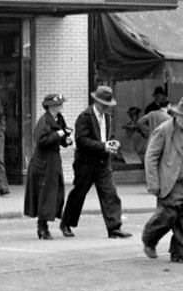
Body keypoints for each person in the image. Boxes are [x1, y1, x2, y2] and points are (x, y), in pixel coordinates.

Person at [59, 85, 130, 239]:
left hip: (103, 163)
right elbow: (82, 140)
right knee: (79, 193)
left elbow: (106, 137)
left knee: (110, 193)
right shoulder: (85, 116)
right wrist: (103, 146)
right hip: (86, 163)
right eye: (105, 104)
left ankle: (114, 227)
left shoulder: (107, 117)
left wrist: (112, 144)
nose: (107, 107)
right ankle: (67, 223)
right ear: (98, 102)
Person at [141, 97, 183, 263]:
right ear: (177, 116)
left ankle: (181, 252)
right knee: (167, 215)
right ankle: (149, 239)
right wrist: (153, 183)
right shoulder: (163, 130)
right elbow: (151, 157)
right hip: (170, 181)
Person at [24, 93, 72, 240]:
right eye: (59, 104)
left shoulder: (59, 119)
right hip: (43, 163)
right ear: (51, 106)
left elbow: (61, 136)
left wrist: (66, 140)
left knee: (57, 192)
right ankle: (42, 227)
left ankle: (61, 222)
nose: (61, 106)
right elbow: (41, 141)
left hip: (54, 160)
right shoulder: (44, 121)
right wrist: (59, 134)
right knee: (45, 194)